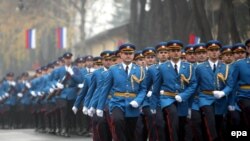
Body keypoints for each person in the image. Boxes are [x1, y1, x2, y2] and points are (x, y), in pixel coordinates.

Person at [96, 43, 147, 141]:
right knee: (117, 121)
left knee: (130, 131)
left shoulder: (140, 70)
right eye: (125, 53)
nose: (128, 55)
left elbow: (143, 89)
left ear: (133, 55)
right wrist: (99, 106)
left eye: (130, 53)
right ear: (121, 54)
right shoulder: (113, 69)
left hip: (133, 104)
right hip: (117, 102)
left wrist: (138, 100)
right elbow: (106, 89)